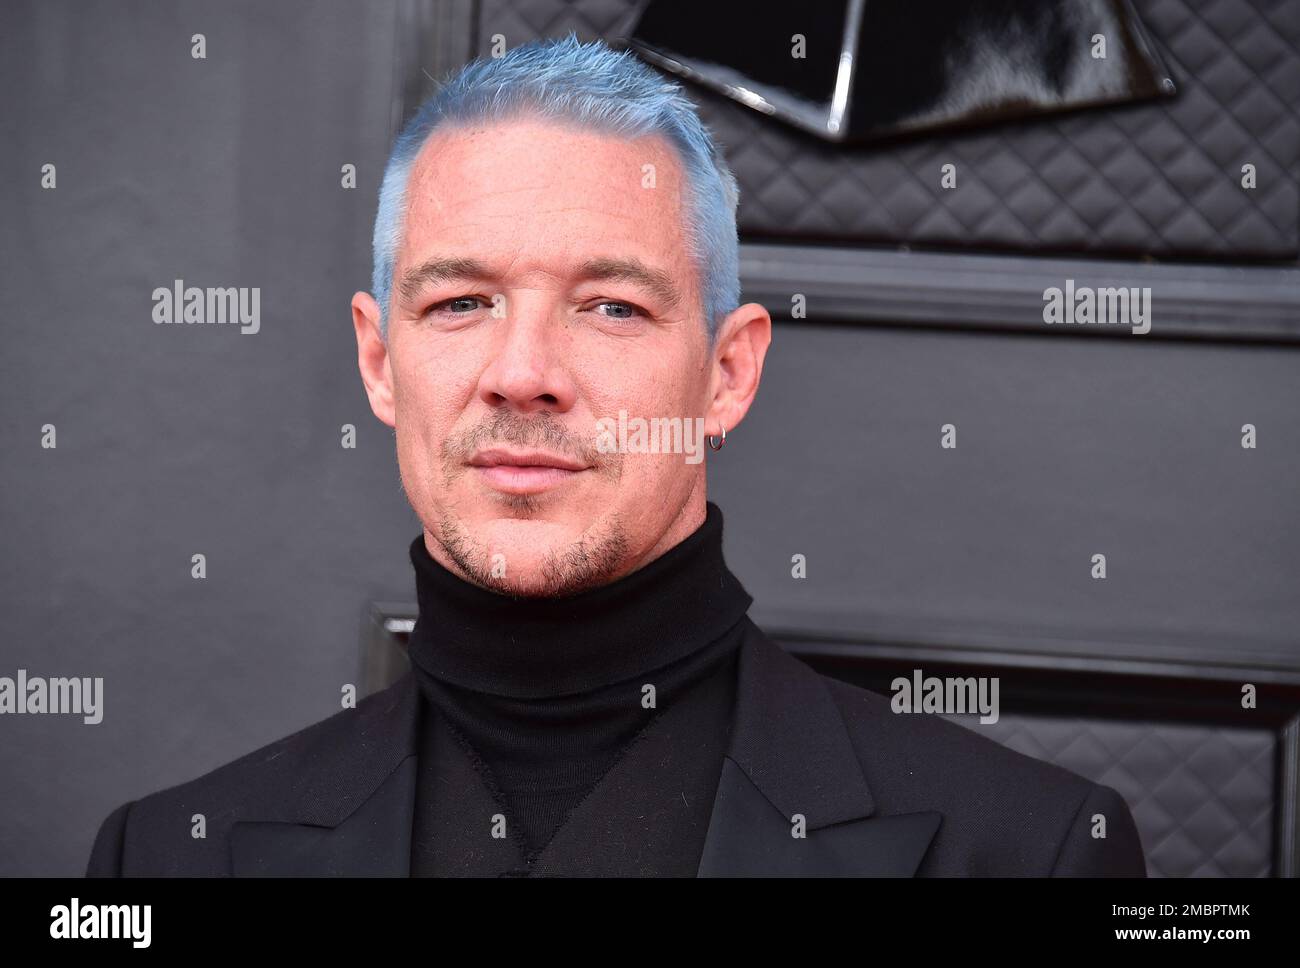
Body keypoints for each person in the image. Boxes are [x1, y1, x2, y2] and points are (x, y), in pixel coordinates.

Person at [86, 34, 1145, 877]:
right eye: (460, 301)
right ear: (379, 359)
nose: (522, 371)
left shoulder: (1023, 851)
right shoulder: (170, 859)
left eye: (609, 305)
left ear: (726, 374)